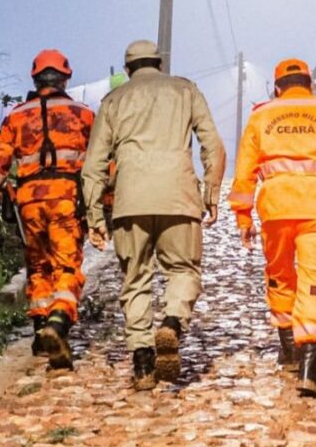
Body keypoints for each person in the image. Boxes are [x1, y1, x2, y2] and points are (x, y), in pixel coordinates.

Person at [82, 40, 225, 391]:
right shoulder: (186, 91)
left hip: (131, 200)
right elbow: (213, 145)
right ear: (160, 64)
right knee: (184, 270)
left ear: (128, 70)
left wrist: (95, 216)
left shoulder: (114, 100)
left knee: (135, 280)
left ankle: (143, 363)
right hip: (179, 195)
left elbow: (94, 165)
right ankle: (173, 324)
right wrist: (212, 193)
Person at [229, 58, 316, 398]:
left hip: (275, 209)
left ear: (277, 88)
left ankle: (289, 351)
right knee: (314, 282)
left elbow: (245, 169)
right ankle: (310, 369)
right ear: (310, 84)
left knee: (279, 275)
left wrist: (243, 217)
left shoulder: (262, 116)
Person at [0, 49, 94, 370]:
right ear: (66, 77)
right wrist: (105, 209)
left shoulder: (16, 116)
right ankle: (58, 323)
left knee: (38, 266)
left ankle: (39, 329)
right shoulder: (84, 114)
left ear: (35, 78)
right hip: (67, 198)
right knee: (67, 266)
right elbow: (102, 165)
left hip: (28, 202)